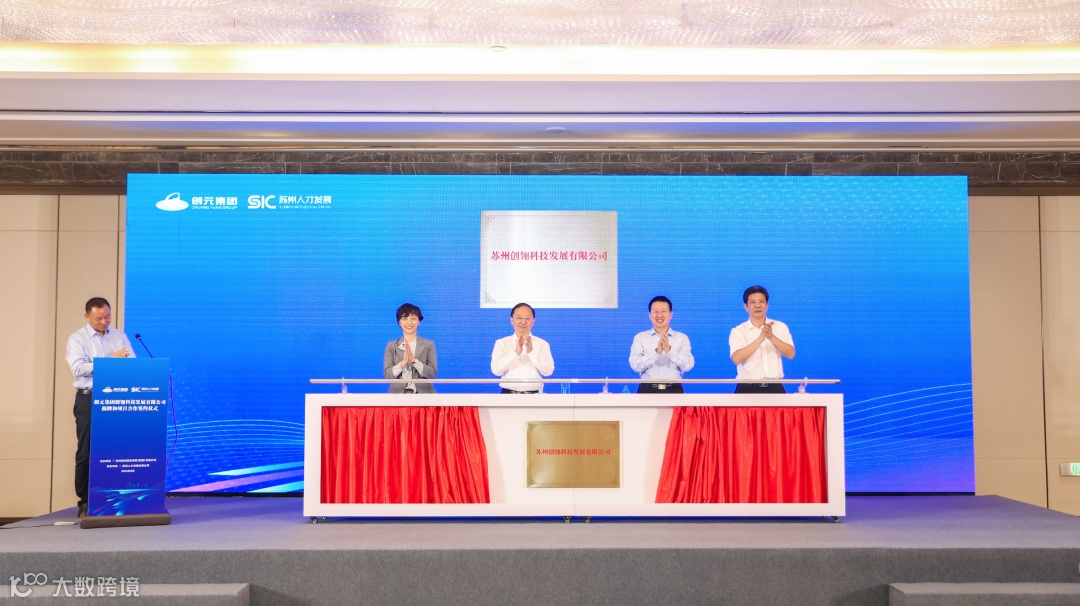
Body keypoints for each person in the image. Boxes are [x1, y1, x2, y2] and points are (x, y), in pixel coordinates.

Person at [65, 297, 135, 519]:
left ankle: (114, 496)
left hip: (116, 398)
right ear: (87, 316)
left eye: (107, 317)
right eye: (98, 319)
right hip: (88, 399)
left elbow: (132, 364)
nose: (104, 322)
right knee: (87, 451)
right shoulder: (78, 338)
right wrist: (110, 360)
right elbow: (78, 368)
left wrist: (119, 362)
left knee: (115, 449)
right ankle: (85, 501)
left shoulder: (119, 336)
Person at [729, 285, 795, 394]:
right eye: (753, 302)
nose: (758, 306)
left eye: (761, 301)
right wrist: (760, 338)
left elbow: (791, 354)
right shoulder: (738, 331)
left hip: (775, 388)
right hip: (747, 388)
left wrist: (771, 337)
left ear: (767, 305)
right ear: (746, 306)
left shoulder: (779, 327)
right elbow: (736, 359)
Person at [629, 295, 694, 393]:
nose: (659, 315)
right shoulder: (640, 337)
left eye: (663, 311)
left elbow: (688, 365)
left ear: (671, 314)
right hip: (647, 390)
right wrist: (656, 353)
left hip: (674, 390)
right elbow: (635, 365)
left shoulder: (681, 338)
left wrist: (669, 350)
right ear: (650, 315)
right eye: (655, 311)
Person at [490, 303, 554, 393]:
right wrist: (515, 353)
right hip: (508, 395)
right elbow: (496, 371)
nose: (523, 322)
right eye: (519, 318)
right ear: (511, 320)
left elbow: (548, 371)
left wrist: (531, 353)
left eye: (527, 318)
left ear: (533, 321)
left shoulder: (542, 344)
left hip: (534, 395)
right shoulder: (501, 343)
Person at [383, 303, 438, 394]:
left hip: (424, 395)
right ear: (399, 322)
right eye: (405, 318)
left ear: (419, 322)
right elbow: (387, 375)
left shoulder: (429, 345)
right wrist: (403, 363)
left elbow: (432, 373)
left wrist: (414, 361)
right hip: (397, 395)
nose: (409, 322)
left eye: (413, 318)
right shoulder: (391, 346)